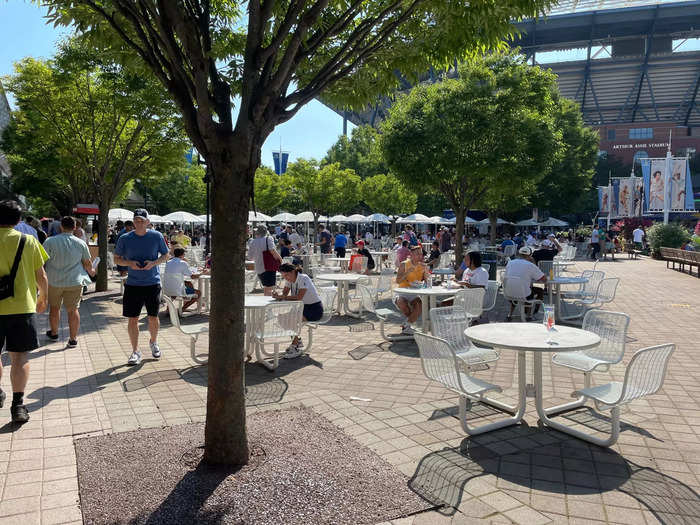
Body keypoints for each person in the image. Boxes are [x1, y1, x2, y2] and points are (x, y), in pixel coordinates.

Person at [0, 200, 49, 423]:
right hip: (22, 306)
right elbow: (42, 276)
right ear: (19, 221)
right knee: (20, 357)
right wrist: (43, 297)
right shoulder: (28, 240)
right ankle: (18, 406)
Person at [114, 209, 170, 365]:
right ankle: (135, 351)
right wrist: (129, 263)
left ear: (147, 222)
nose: (139, 223)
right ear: (133, 222)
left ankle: (153, 341)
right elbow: (117, 259)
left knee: (153, 317)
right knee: (133, 319)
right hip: (132, 284)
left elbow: (166, 255)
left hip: (152, 283)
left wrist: (154, 263)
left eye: (142, 220)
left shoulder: (156, 236)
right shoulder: (125, 238)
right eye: (136, 220)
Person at [43, 216, 96, 347]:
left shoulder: (49, 241)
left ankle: (54, 333)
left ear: (61, 226)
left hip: (54, 281)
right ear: (74, 227)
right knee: (73, 310)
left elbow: (42, 261)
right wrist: (92, 271)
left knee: (54, 308)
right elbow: (87, 263)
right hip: (75, 281)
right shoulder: (80, 243)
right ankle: (73, 339)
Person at [273, 263, 324, 359]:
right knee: (281, 318)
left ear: (293, 272)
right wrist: (277, 294)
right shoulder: (290, 280)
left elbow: (299, 297)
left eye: (286, 275)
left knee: (289, 319)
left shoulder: (303, 278)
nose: (286, 278)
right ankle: (296, 342)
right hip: (301, 308)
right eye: (283, 276)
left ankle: (295, 345)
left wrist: (282, 297)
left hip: (314, 309)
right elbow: (284, 294)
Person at [504, 246, 546, 320]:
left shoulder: (510, 263)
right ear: (530, 255)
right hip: (524, 294)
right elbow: (544, 279)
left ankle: (509, 314)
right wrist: (533, 263)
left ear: (519, 254)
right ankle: (530, 314)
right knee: (539, 290)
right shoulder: (531, 265)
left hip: (508, 292)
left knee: (517, 288)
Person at [395, 246, 429, 334]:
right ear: (411, 255)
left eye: (421, 254)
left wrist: (426, 272)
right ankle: (408, 324)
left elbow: (427, 282)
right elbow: (397, 281)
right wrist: (407, 273)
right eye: (418, 254)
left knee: (419, 305)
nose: (420, 256)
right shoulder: (404, 264)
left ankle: (407, 324)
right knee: (402, 303)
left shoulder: (422, 266)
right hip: (402, 291)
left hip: (415, 292)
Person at [248, 225, 282, 296]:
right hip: (269, 266)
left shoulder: (253, 242)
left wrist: (258, 255)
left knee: (266, 288)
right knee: (270, 288)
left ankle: (266, 303)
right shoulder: (269, 238)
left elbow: (250, 257)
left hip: (259, 268)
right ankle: (268, 305)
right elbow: (272, 250)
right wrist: (280, 259)